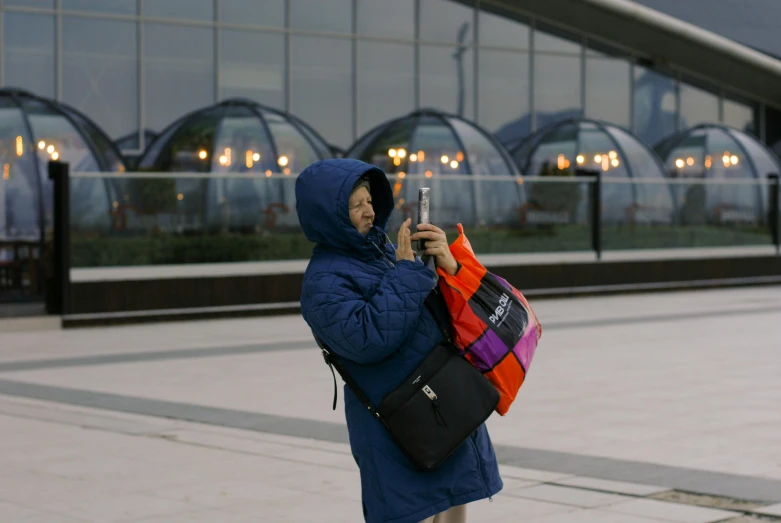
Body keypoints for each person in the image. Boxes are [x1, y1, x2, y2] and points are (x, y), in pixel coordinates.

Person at [296, 158, 502, 523]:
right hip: (398, 426)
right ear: (328, 214)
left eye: (370, 201)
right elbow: (367, 339)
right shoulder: (322, 283)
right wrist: (407, 273)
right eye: (356, 205)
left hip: (442, 407)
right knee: (414, 511)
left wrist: (444, 263)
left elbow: (431, 315)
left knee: (453, 510)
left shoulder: (383, 252)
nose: (369, 211)